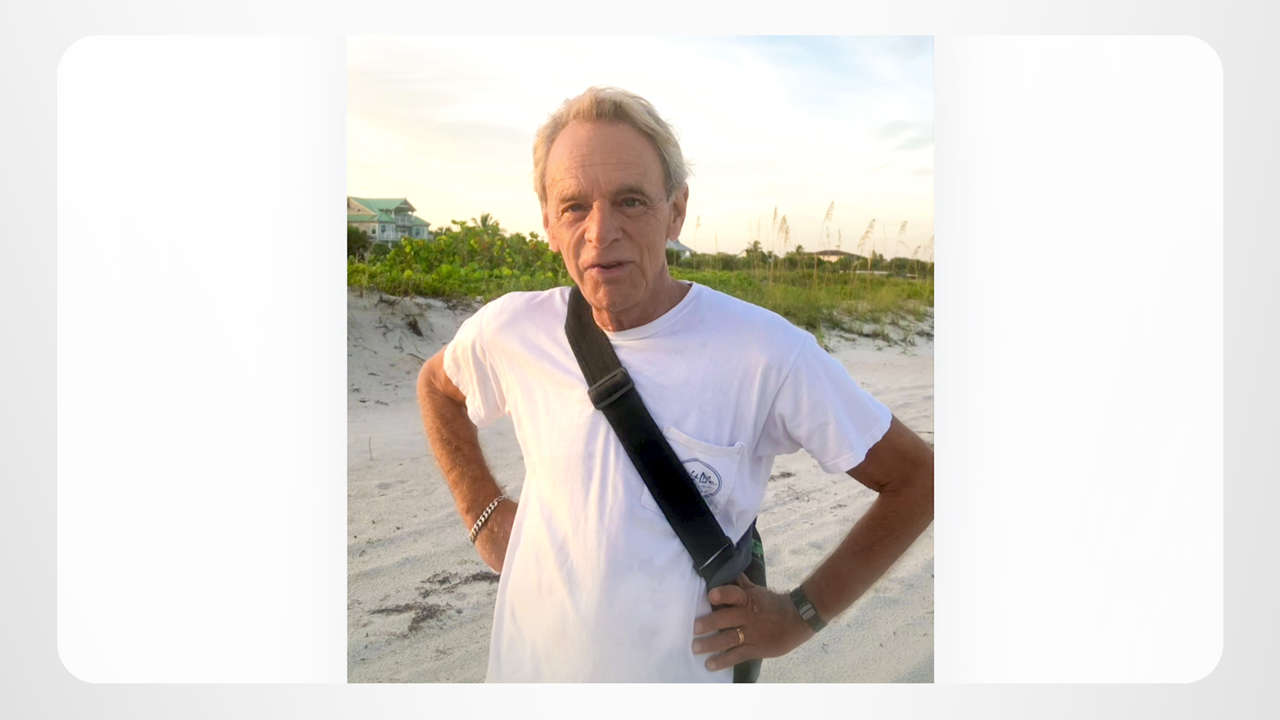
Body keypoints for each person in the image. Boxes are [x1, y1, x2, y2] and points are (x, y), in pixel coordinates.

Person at [416, 86, 934, 682]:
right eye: (574, 206)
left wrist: (800, 616)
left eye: (631, 201)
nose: (600, 231)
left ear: (676, 210)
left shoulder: (765, 352)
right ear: (548, 222)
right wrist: (483, 513)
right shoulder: (513, 330)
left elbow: (917, 479)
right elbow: (438, 387)